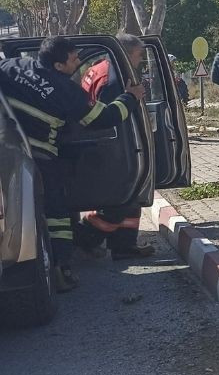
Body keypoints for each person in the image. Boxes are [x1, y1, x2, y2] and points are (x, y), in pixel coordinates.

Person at [0, 36, 142, 291]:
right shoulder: (66, 90)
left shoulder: (12, 67)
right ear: (58, 65)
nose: (78, 63)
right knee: (57, 215)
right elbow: (104, 118)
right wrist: (130, 98)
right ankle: (60, 269)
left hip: (7, 155)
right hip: (39, 157)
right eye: (74, 59)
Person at [76, 33, 157, 261]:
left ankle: (124, 246)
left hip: (101, 144)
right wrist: (131, 98)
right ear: (126, 52)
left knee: (130, 195)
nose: (139, 61)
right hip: (111, 146)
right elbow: (111, 115)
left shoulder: (99, 67)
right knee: (118, 200)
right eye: (138, 55)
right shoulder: (112, 77)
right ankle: (84, 238)